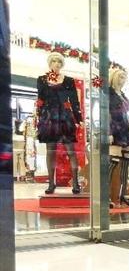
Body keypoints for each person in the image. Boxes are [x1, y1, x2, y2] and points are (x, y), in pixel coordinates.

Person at [35, 51, 82, 194]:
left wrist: (78, 119)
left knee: (71, 151)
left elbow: (74, 101)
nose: (56, 64)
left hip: (64, 117)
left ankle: (76, 183)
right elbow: (40, 99)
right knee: (50, 151)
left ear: (62, 64)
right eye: (54, 61)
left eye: (59, 62)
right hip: (49, 117)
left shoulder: (68, 80)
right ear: (50, 63)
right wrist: (39, 116)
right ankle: (51, 183)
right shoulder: (42, 79)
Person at [108, 67, 129, 206]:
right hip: (115, 129)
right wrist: (108, 132)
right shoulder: (108, 94)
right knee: (112, 163)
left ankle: (124, 195)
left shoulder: (122, 95)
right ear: (113, 77)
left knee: (125, 164)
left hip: (126, 130)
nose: (123, 80)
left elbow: (126, 114)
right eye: (120, 77)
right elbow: (106, 114)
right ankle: (106, 196)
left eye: (124, 77)